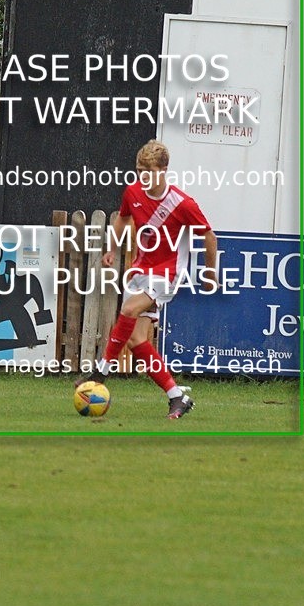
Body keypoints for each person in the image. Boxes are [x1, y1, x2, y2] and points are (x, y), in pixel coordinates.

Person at [79, 140, 218, 419]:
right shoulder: (132, 191)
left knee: (129, 309)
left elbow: (208, 236)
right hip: (142, 270)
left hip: (168, 273)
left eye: (149, 171)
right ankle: (177, 397)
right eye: (139, 171)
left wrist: (210, 272)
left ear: (164, 170)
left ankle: (101, 371)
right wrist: (112, 248)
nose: (143, 177)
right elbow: (122, 219)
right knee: (136, 340)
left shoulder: (182, 203)